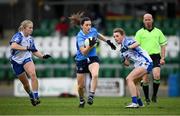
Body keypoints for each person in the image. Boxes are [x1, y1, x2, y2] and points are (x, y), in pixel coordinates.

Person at [69, 12, 116, 108]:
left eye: (90, 24)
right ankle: (82, 100)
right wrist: (90, 45)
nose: (89, 27)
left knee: (95, 75)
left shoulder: (93, 30)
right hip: (81, 59)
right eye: (86, 25)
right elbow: (83, 52)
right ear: (82, 26)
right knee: (80, 86)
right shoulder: (80, 36)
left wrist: (108, 41)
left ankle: (91, 95)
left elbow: (97, 34)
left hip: (92, 57)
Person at [9, 20, 51, 106]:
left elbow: (34, 51)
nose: (31, 30)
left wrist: (42, 56)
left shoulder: (31, 39)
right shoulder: (18, 36)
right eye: (30, 28)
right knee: (26, 84)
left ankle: (36, 96)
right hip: (16, 62)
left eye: (32, 28)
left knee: (32, 74)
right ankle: (31, 95)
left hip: (26, 59)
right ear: (24, 28)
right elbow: (13, 46)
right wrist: (27, 48)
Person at [113, 28, 153, 108]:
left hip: (145, 62)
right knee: (133, 83)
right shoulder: (122, 50)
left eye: (117, 36)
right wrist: (124, 60)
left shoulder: (128, 41)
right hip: (139, 65)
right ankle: (140, 104)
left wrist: (128, 47)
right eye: (114, 37)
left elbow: (138, 43)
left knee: (129, 79)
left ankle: (134, 103)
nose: (115, 38)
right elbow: (127, 64)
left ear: (123, 36)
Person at [135, 13, 167, 104]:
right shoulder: (139, 32)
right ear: (143, 21)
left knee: (157, 75)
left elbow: (163, 45)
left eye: (149, 19)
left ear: (152, 20)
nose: (148, 21)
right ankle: (147, 98)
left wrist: (163, 58)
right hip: (144, 58)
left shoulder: (158, 32)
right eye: (146, 20)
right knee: (145, 80)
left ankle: (154, 95)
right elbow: (136, 47)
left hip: (156, 56)